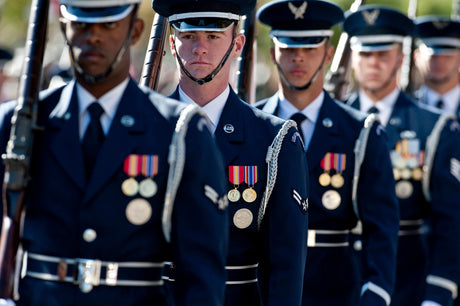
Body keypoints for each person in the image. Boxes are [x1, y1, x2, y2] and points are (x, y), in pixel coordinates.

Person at [0, 0, 230, 305]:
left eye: (108, 25)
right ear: (64, 28)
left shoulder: (179, 131)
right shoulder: (18, 124)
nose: (93, 37)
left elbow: (201, 277)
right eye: (81, 25)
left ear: (134, 31)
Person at [151, 0, 310, 305]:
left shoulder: (273, 140)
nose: (200, 48)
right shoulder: (145, 126)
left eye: (213, 37)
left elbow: (285, 269)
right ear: (172, 44)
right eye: (188, 36)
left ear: (237, 44)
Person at [256, 1, 399, 305]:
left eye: (310, 47)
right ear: (272, 53)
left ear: (328, 53)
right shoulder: (252, 126)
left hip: (335, 288)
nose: (298, 57)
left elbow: (382, 225)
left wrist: (377, 291)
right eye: (289, 47)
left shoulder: (360, 131)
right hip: (264, 288)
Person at [345, 5, 460, 306]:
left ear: (400, 57)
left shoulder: (433, 127)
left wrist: (439, 292)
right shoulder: (333, 120)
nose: (373, 63)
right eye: (365, 54)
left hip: (407, 283)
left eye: (383, 54)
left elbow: (449, 221)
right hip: (340, 281)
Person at [413, 16, 460, 117]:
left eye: (448, 56)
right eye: (432, 56)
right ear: (416, 57)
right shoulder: (403, 108)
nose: (440, 61)